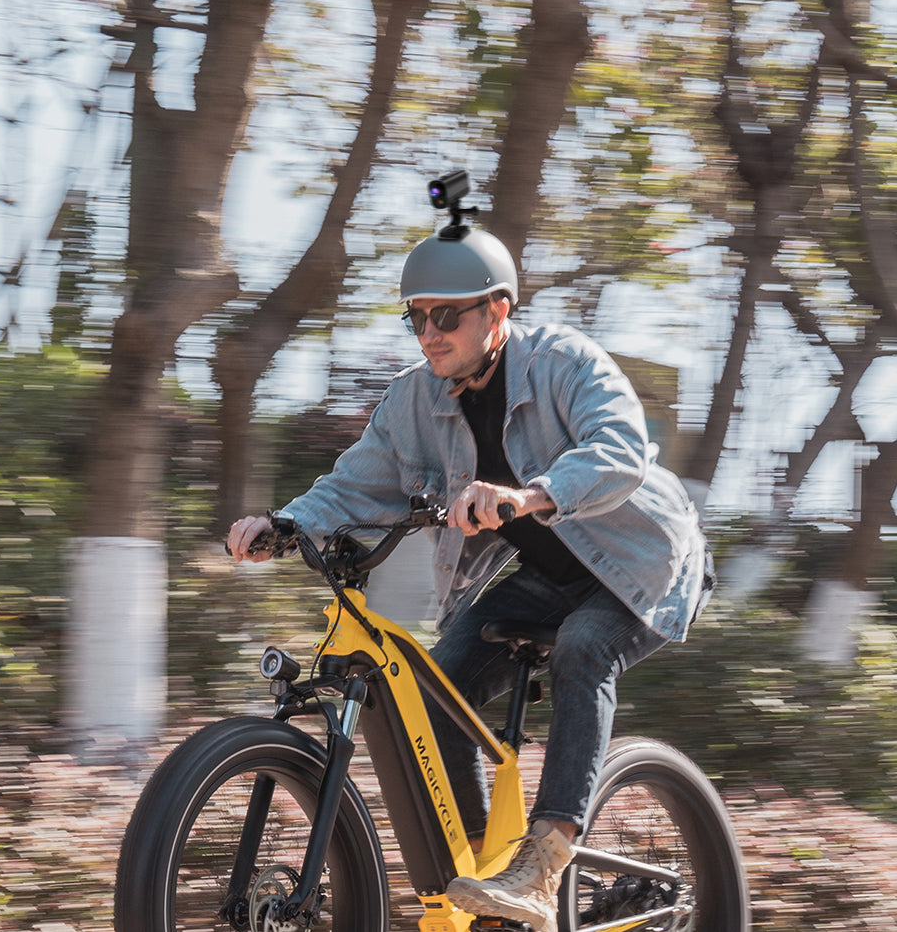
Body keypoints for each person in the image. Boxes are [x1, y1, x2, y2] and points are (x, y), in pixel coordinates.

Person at [226, 212, 712, 932]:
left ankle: (543, 867)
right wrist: (287, 523)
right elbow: (354, 486)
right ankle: (494, 887)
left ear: (498, 311)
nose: (429, 334)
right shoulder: (413, 400)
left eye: (445, 316)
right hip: (552, 577)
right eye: (416, 319)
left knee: (586, 645)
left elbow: (620, 449)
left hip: (645, 564)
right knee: (433, 690)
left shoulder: (563, 362)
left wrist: (530, 494)